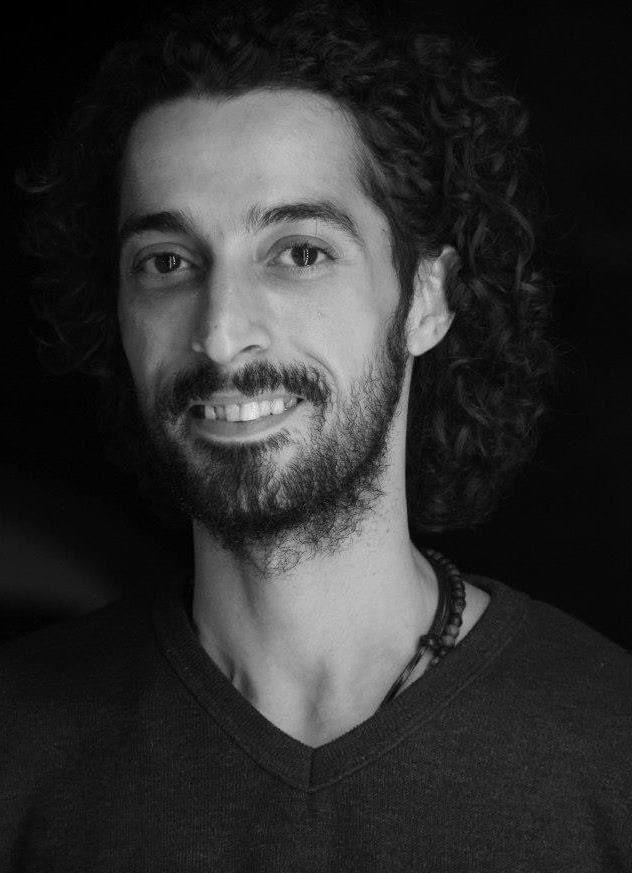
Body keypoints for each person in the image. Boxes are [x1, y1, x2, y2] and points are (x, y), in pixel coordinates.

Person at [2, 1, 631, 870]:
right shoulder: (19, 748)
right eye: (167, 262)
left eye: (299, 253)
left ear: (427, 299)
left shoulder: (611, 750)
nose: (221, 334)